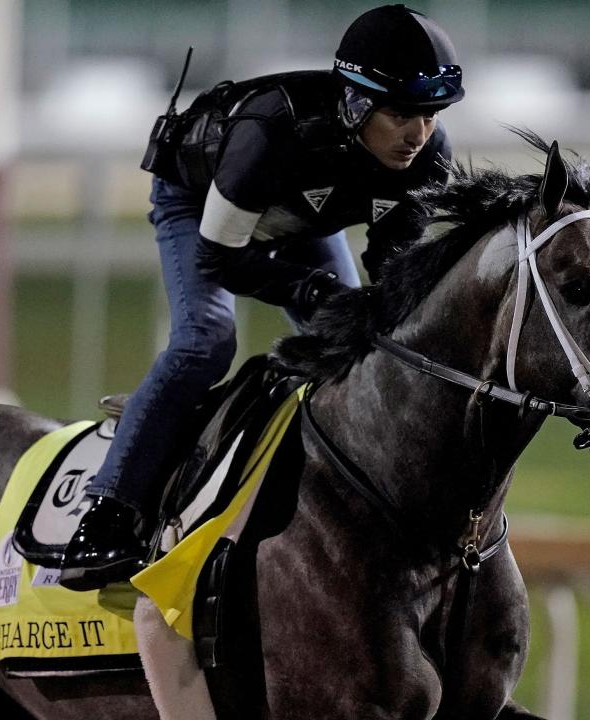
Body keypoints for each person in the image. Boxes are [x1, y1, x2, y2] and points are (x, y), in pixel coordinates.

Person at [59, 4, 465, 591]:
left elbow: (390, 271)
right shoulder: (271, 131)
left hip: (303, 215)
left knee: (358, 346)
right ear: (354, 103)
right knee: (205, 341)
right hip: (200, 207)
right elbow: (218, 258)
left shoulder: (428, 155)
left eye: (431, 115)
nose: (417, 135)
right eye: (401, 113)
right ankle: (108, 513)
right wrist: (308, 288)